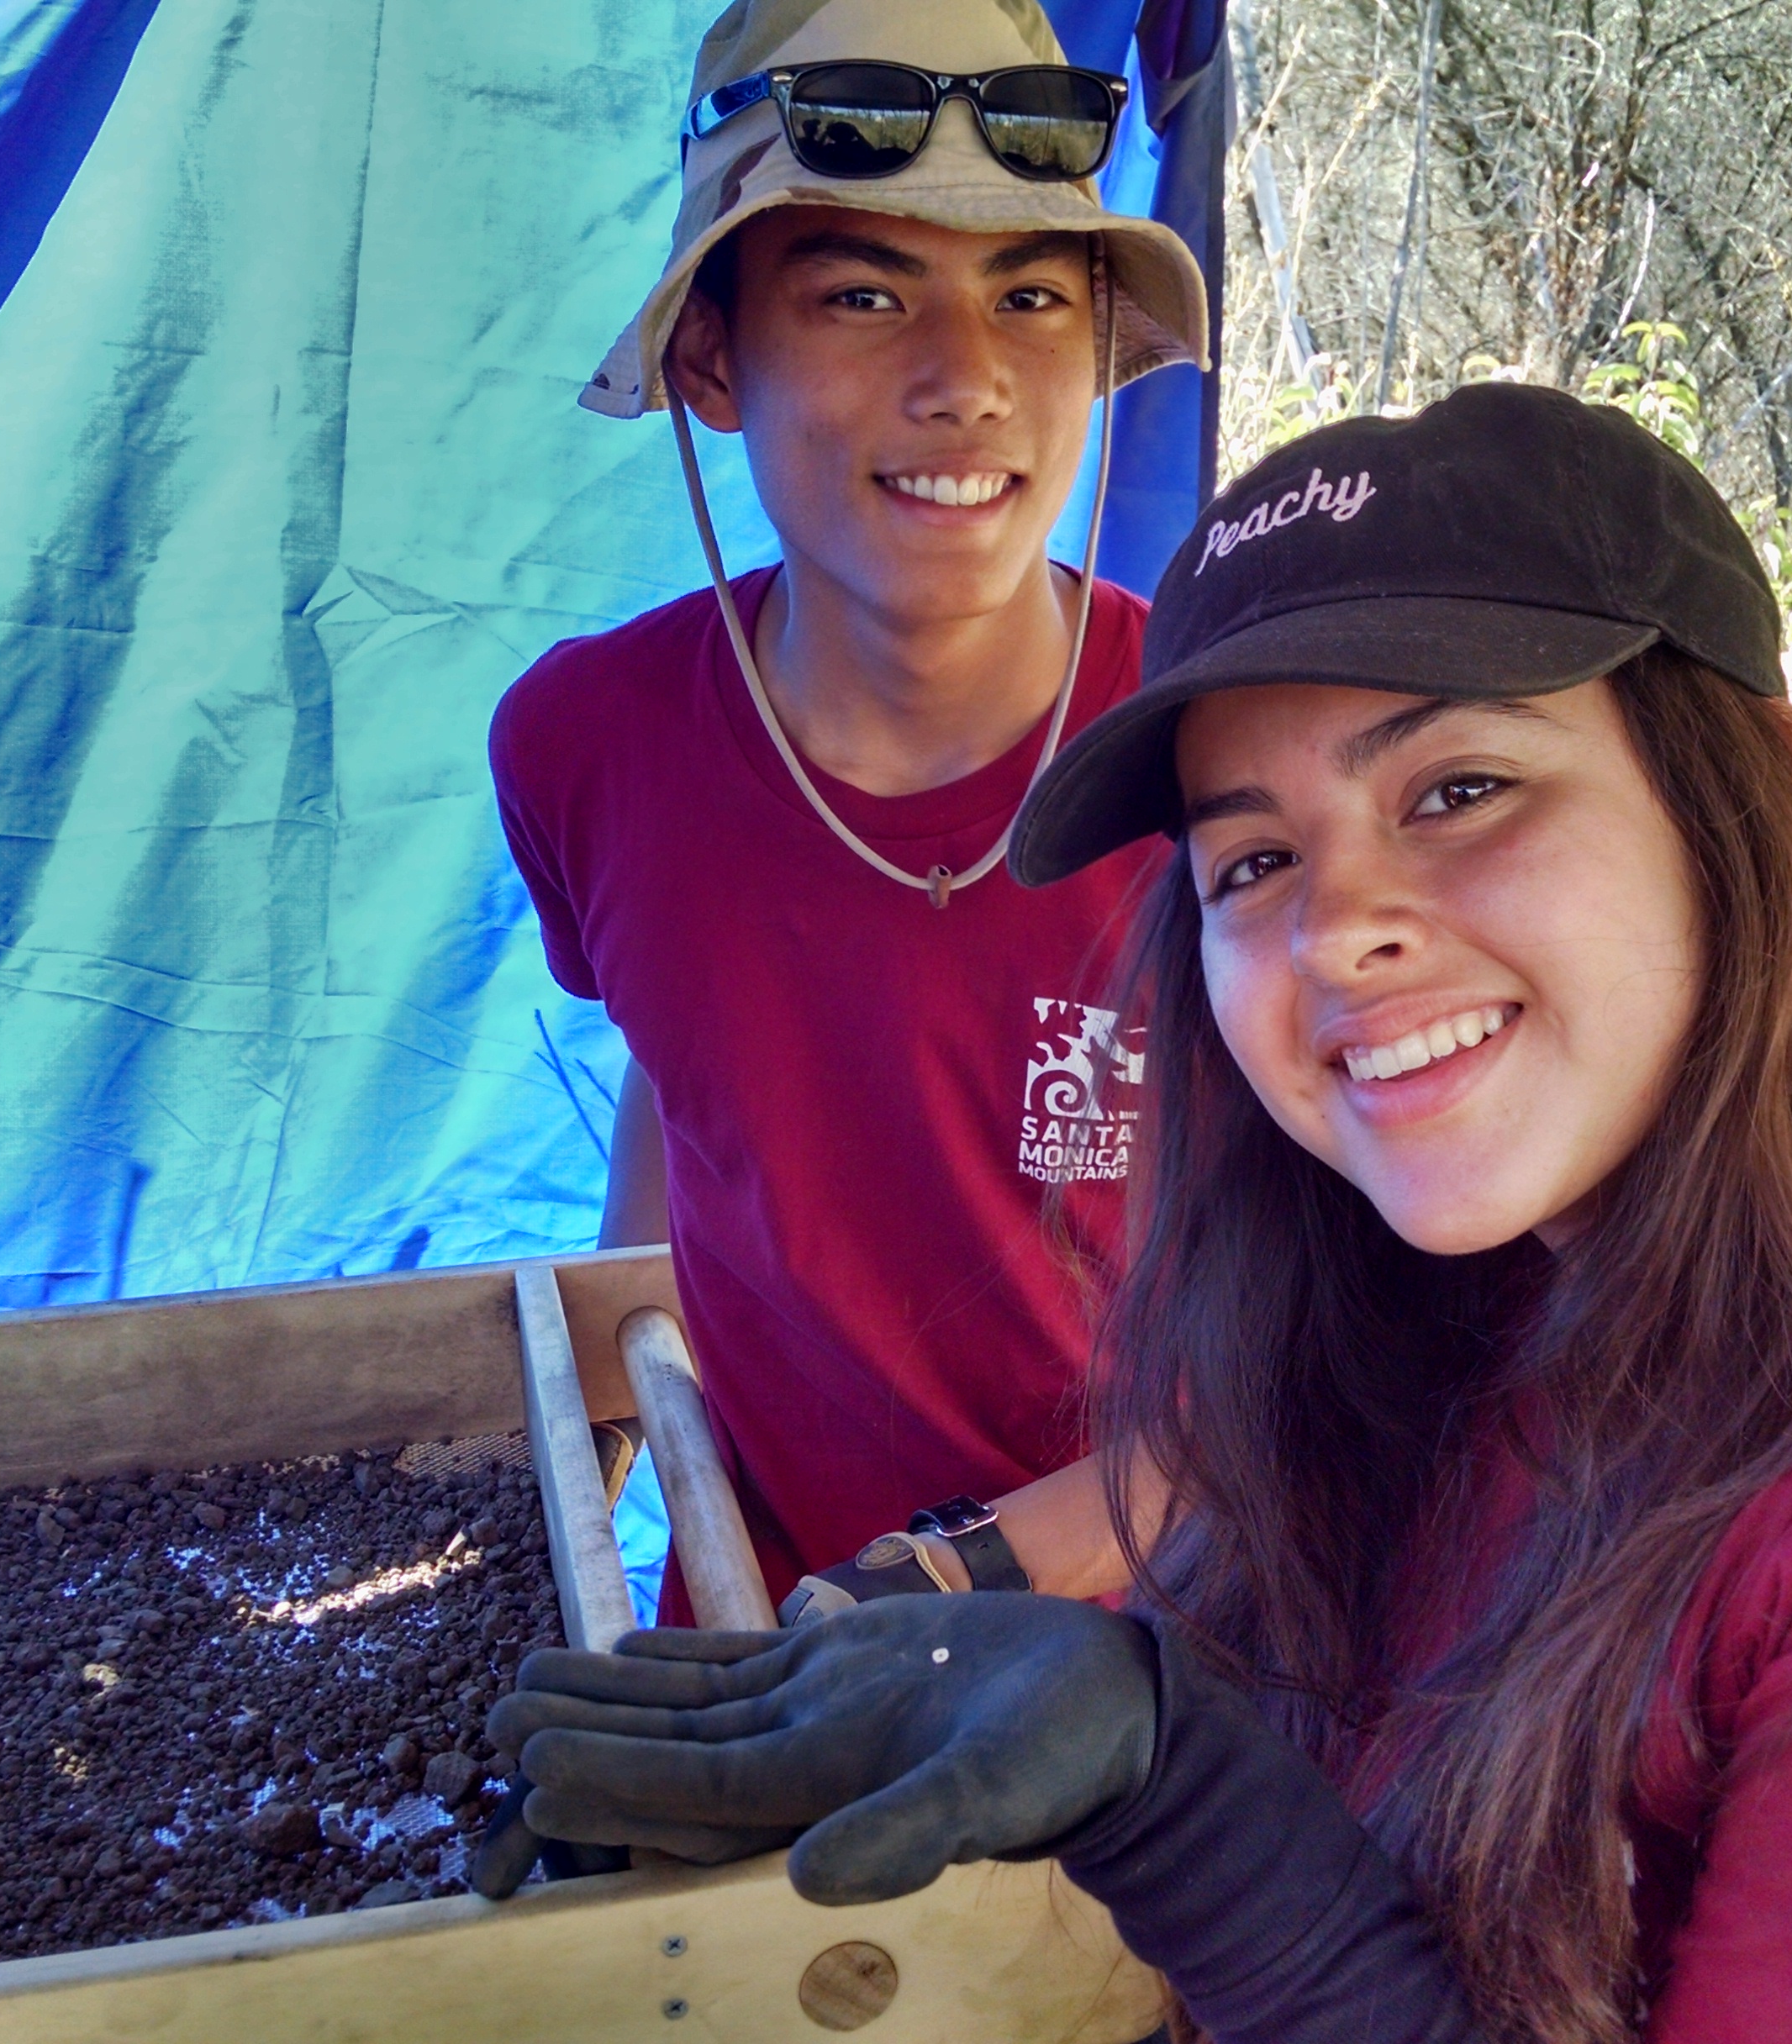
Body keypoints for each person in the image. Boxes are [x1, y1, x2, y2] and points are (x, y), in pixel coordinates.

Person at [485, 382, 1792, 2043]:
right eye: (1255, 857)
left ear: (1756, 794)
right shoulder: (1480, 1271)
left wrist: (1185, 1805)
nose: (1339, 927)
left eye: (1462, 784)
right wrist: (1115, 1676)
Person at [488, 0, 1211, 1625]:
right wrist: (581, 1521)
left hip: (1174, 1667)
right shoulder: (587, 744)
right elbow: (687, 1089)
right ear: (710, 358)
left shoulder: (1232, 754)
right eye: (864, 295)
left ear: (1099, 351)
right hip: (758, 1651)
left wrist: (952, 1585)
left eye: (1029, 296)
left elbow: (1363, 1328)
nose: (965, 383)